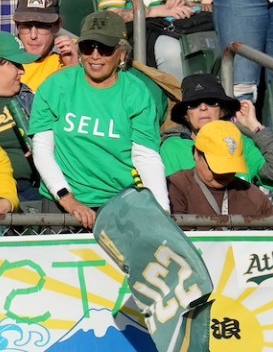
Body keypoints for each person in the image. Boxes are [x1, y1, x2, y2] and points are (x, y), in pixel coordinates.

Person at [27, 18, 168, 225]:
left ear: (121, 54)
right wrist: (67, 198)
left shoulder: (136, 93)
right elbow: (42, 148)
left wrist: (162, 211)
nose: (94, 55)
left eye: (104, 49)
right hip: (61, 204)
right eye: (87, 47)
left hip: (121, 204)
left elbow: (146, 156)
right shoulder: (57, 85)